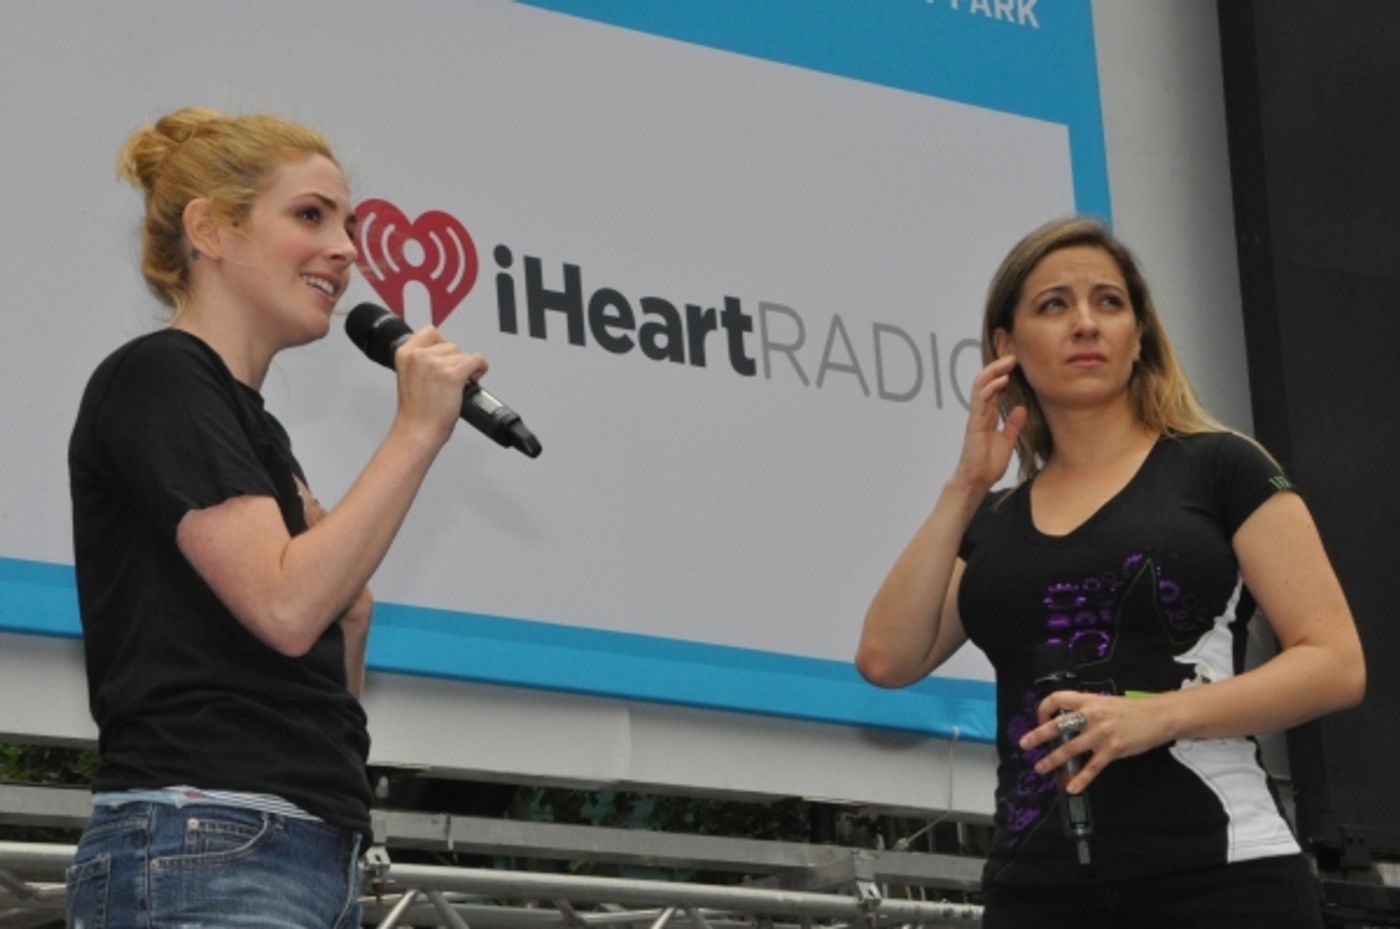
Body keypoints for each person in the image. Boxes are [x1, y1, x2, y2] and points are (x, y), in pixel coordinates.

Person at [856, 217, 1365, 928]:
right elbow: (886, 657)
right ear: (1007, 348)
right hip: (1034, 888)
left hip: (1223, 872)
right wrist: (966, 485)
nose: (1086, 323)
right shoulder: (992, 520)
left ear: (1140, 335)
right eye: (1054, 304)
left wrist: (1156, 715)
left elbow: (1336, 662)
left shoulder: (1222, 466)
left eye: (1109, 302)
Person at [65, 107, 485, 926]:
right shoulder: (159, 376)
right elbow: (287, 608)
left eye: (350, 224)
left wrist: (348, 608)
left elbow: (320, 622)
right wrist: (416, 428)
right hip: (207, 840)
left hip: (302, 845)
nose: (348, 250)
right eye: (310, 216)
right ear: (211, 229)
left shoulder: (251, 423)